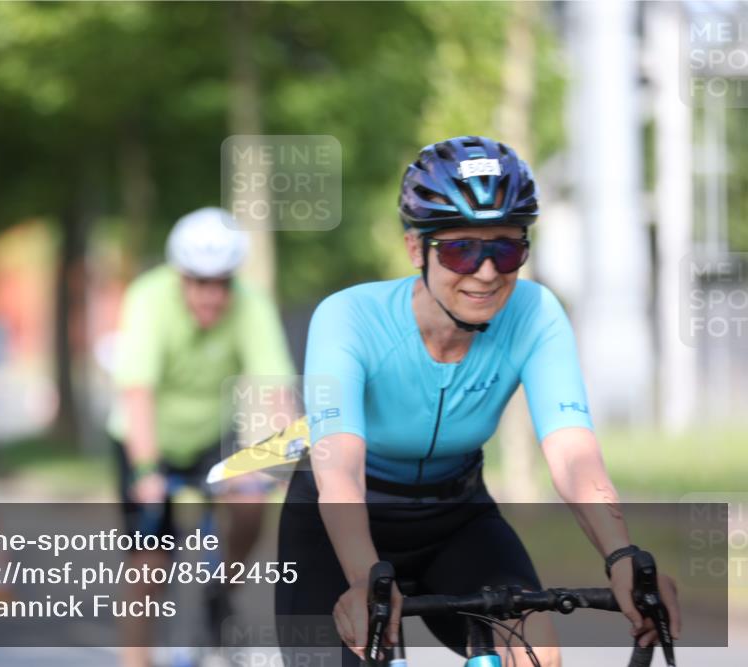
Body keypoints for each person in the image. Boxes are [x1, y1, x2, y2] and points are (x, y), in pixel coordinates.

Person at [275, 136, 680, 667]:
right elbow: (341, 473)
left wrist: (622, 556)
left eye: (506, 249)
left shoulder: (536, 313)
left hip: (456, 518)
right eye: (461, 249)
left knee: (535, 654)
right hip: (342, 526)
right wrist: (362, 580)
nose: (486, 272)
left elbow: (573, 455)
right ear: (416, 249)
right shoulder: (349, 317)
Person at [108, 207, 297, 667]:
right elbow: (138, 394)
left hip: (212, 436)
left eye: (222, 283)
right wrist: (147, 471)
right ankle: (135, 659)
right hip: (145, 438)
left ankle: (221, 591)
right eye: (199, 282)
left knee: (250, 503)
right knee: (149, 563)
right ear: (180, 276)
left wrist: (290, 461)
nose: (211, 296)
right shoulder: (148, 299)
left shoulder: (252, 305)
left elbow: (277, 391)